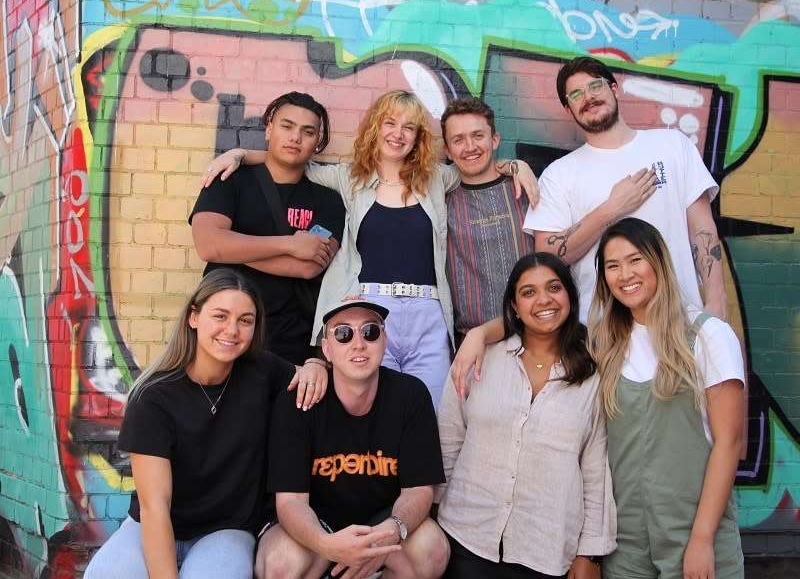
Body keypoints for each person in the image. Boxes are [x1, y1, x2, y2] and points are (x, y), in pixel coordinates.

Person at [203, 90, 538, 408]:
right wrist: (241, 154)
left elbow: (475, 166)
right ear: (375, 128)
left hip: (429, 316)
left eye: (409, 127)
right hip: (372, 312)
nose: (398, 134)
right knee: (376, 411)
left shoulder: (436, 178)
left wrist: (515, 166)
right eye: (390, 123)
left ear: (419, 137)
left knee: (432, 413)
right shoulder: (349, 178)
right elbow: (294, 161)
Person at [84, 268, 301, 578]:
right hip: (155, 524)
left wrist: (316, 366)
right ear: (194, 317)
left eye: (245, 321)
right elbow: (155, 507)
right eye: (221, 316)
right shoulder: (153, 398)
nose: (232, 330)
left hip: (225, 530)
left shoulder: (263, 373)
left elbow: (305, 375)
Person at [437, 252, 615, 579]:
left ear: (570, 297)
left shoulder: (593, 372)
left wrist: (589, 553)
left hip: (545, 548)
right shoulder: (478, 357)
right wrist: (434, 515)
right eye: (528, 292)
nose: (543, 299)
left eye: (553, 288)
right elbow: (449, 441)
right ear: (514, 307)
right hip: (466, 536)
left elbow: (594, 468)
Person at [589, 217, 744, 578]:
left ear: (659, 261)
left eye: (635, 260)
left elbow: (729, 442)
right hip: (626, 549)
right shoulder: (604, 345)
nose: (625, 274)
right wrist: (479, 336)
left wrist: (702, 539)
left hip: (694, 539)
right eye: (612, 266)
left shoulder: (709, 336)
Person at [255, 295, 449, 579]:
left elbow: (419, 491)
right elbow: (291, 502)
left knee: (431, 550)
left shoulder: (411, 396)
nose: (358, 344)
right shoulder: (299, 399)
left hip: (382, 523)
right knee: (282, 562)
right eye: (343, 334)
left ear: (385, 340)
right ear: (327, 349)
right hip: (316, 528)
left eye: (370, 332)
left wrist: (392, 531)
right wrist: (328, 545)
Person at [523, 56, 727, 322]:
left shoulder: (673, 145)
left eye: (595, 86)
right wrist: (612, 208)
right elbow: (547, 255)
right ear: (568, 109)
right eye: (576, 94)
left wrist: (717, 301)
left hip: (680, 321)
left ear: (614, 89)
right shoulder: (558, 175)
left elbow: (702, 228)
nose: (588, 97)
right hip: (603, 334)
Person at [190, 91, 345, 380]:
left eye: (307, 132)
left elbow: (308, 266)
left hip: (291, 338)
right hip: (227, 331)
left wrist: (234, 249)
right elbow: (208, 245)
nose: (295, 137)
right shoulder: (229, 179)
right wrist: (290, 244)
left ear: (317, 143)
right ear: (269, 129)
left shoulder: (328, 200)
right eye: (287, 126)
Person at [441, 97, 533, 346]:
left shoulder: (526, 190)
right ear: (448, 151)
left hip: (536, 336)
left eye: (478, 136)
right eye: (458, 140)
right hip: (475, 345)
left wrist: (518, 166)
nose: (470, 147)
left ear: (494, 140)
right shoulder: (439, 202)